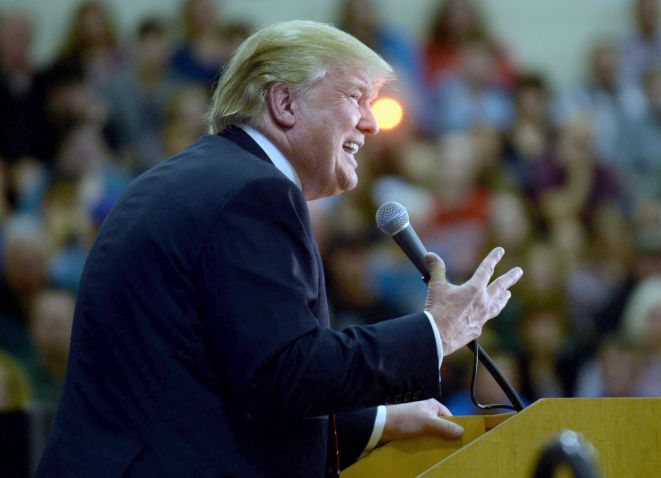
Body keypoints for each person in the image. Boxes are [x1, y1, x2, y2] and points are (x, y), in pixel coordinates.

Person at [36, 21, 523, 477]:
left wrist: (376, 421)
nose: (372, 124)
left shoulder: (202, 177)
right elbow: (285, 374)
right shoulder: (255, 193)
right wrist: (435, 331)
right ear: (284, 104)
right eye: (357, 97)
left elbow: (237, 382)